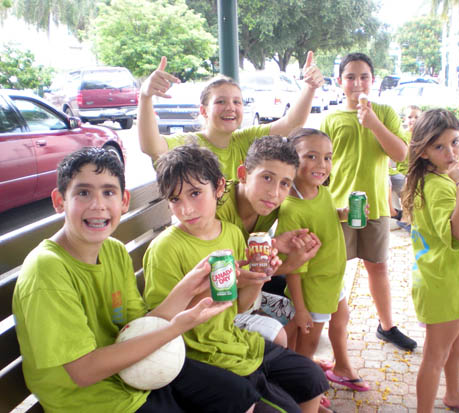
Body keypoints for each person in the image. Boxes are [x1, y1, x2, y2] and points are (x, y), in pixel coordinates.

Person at [12, 147, 261, 413]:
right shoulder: (47, 270)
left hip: (133, 368)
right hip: (91, 398)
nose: (98, 205)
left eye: (108, 192)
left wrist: (188, 287)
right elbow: (83, 372)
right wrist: (174, 329)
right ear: (59, 201)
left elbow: (140, 325)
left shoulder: (114, 251)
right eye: (83, 193)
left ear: (124, 201)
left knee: (240, 396)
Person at [143, 144, 329, 413]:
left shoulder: (231, 233)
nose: (186, 209)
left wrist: (258, 278)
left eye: (195, 193)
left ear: (219, 187)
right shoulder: (165, 249)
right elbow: (160, 324)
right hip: (197, 354)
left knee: (313, 378)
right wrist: (223, 285)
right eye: (175, 199)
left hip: (233, 341)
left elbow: (240, 307)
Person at [320, 52, 417, 351]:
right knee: (334, 271)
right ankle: (328, 328)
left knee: (378, 267)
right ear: (340, 81)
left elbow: (401, 154)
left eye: (364, 76)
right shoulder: (331, 118)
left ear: (373, 80)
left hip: (375, 205)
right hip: (338, 209)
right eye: (350, 77)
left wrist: (374, 123)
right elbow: (320, 166)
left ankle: (387, 326)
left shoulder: (384, 112)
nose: (357, 83)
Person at [401, 109, 459, 413]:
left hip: (445, 277)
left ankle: (453, 393)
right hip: (444, 283)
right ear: (423, 151)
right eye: (440, 146)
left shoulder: (433, 177)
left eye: (455, 142)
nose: (451, 153)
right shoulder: (440, 185)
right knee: (435, 355)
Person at [275, 128, 370, 400]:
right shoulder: (292, 209)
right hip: (312, 287)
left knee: (341, 319)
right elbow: (294, 268)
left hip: (332, 279)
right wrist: (301, 309)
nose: (322, 164)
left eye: (327, 157)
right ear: (291, 161)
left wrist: (343, 213)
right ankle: (304, 392)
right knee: (308, 344)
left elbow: (325, 216)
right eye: (311, 156)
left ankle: (338, 368)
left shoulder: (321, 192)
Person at [138, 53, 324, 181]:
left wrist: (310, 87)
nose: (230, 108)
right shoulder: (189, 143)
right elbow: (152, 147)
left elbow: (292, 124)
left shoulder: (244, 140)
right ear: (204, 111)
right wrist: (145, 96)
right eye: (220, 102)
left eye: (237, 102)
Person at [215, 135, 322, 328]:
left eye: (284, 183)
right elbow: (224, 281)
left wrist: (276, 244)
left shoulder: (270, 206)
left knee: (299, 301)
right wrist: (289, 265)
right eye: (267, 178)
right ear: (243, 174)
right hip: (214, 300)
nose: (274, 193)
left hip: (241, 288)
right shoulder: (218, 210)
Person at [389, 105, 422, 233]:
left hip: (417, 171)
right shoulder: (403, 135)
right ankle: (405, 217)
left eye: (416, 117)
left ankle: (410, 217)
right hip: (403, 171)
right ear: (404, 119)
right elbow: (399, 157)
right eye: (409, 117)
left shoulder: (423, 137)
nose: (413, 120)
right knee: (406, 183)